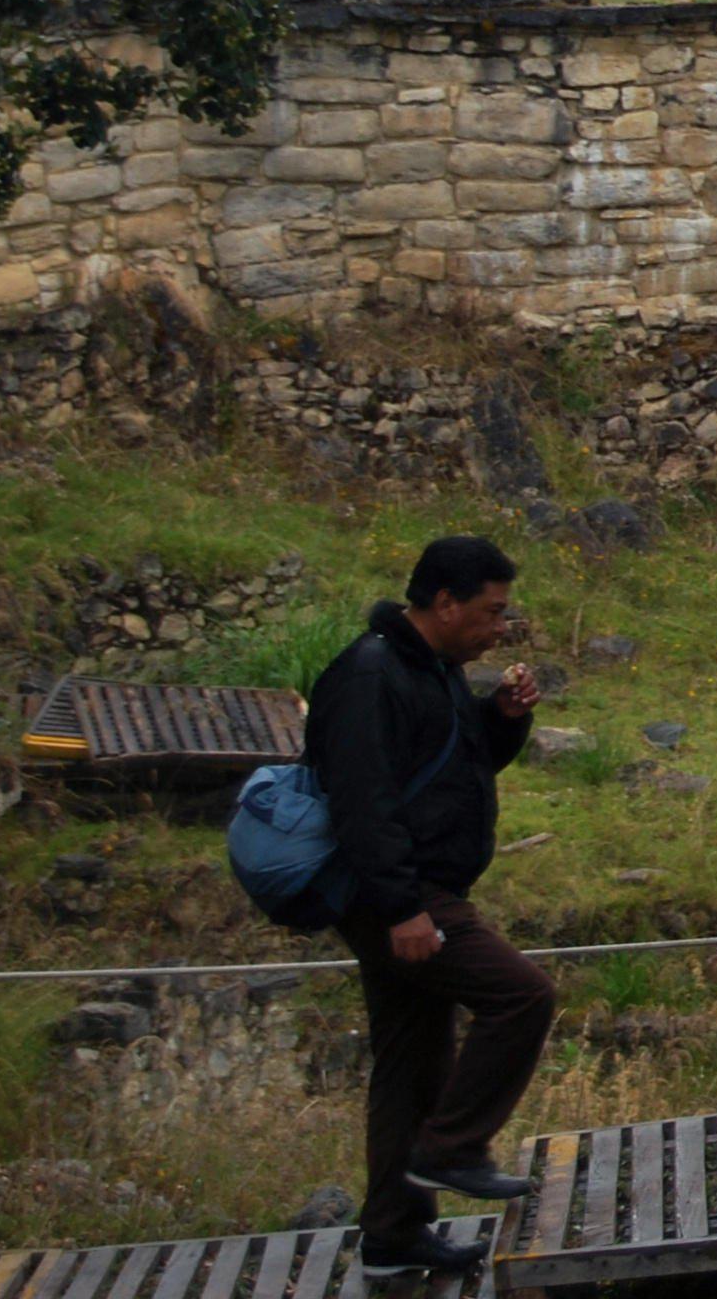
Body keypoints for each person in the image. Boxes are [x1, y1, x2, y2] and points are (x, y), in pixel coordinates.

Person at [307, 535, 552, 1281]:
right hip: (403, 895)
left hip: (413, 889)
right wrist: (403, 907)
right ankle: (451, 1149)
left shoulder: (432, 669)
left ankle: (392, 1238)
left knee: (411, 1063)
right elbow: (362, 802)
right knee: (521, 995)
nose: (499, 628)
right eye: (490, 611)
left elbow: (451, 765)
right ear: (443, 603)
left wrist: (502, 717)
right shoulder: (369, 676)